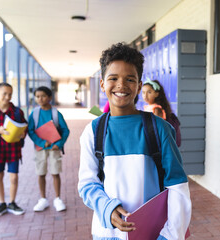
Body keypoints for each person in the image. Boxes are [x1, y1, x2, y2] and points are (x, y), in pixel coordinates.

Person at [78, 42, 191, 240]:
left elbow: (177, 187)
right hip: (107, 234)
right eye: (113, 78)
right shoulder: (93, 132)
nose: (121, 85)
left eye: (130, 79)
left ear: (139, 86)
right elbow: (87, 183)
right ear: (103, 84)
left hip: (152, 234)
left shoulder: (160, 129)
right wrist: (108, 209)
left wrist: (169, 235)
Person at [0, 82, 27, 217]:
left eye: (10, 94)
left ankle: (12, 202)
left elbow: (25, 127)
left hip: (13, 149)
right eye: (4, 94)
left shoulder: (18, 112)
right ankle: (2, 203)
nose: (7, 97)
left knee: (13, 177)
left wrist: (22, 134)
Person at [28, 86, 70, 212]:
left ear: (50, 98)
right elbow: (30, 131)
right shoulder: (34, 114)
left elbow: (65, 130)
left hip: (54, 149)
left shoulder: (56, 113)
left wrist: (60, 143)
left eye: (43, 96)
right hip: (40, 149)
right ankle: (43, 199)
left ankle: (57, 198)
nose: (40, 99)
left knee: (55, 172)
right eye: (37, 96)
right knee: (40, 173)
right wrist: (41, 142)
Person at [142, 79, 182, 147]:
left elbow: (156, 130)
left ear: (156, 94)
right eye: (143, 92)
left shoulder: (156, 109)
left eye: (149, 92)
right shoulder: (148, 107)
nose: (145, 96)